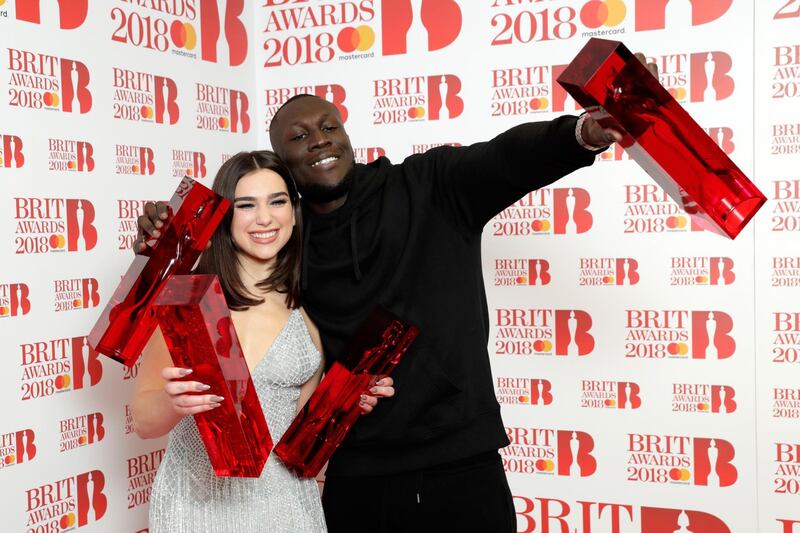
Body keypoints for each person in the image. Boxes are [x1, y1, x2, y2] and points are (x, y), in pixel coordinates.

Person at [135, 57, 657, 533]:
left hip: (460, 457)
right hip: (358, 473)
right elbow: (212, 274)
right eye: (299, 135)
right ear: (284, 163)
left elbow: (507, 159)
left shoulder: (429, 185)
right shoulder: (287, 245)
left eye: (329, 126)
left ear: (347, 135)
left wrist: (584, 133)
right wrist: (165, 235)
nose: (318, 139)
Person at [131, 151, 394, 533]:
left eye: (277, 201)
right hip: (195, 506)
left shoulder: (312, 311)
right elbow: (143, 422)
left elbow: (305, 450)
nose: (265, 218)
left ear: (294, 209)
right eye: (246, 205)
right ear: (225, 214)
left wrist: (350, 400)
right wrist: (174, 402)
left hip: (286, 507)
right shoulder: (189, 299)